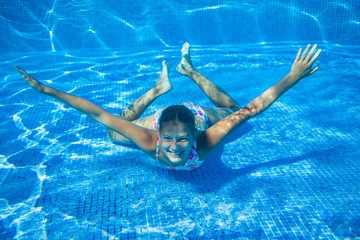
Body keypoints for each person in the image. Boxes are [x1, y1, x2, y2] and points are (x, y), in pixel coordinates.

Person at [14, 42, 321, 171]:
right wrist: (46, 90)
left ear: (194, 136)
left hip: (197, 115)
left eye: (182, 141)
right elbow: (98, 113)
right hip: (163, 117)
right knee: (111, 134)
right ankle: (158, 89)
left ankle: (190, 72)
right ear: (158, 135)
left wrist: (292, 77)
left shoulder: (205, 140)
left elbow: (253, 109)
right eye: (170, 140)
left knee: (237, 111)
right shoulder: (151, 141)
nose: (175, 148)